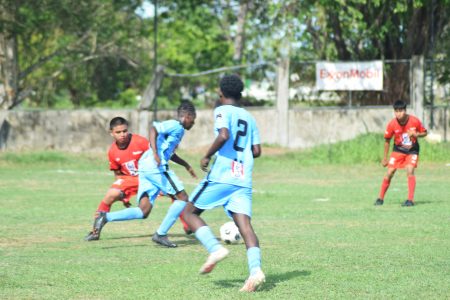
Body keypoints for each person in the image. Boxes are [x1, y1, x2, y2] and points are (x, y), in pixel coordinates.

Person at [182, 74, 265, 292]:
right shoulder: (249, 117)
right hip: (243, 178)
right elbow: (256, 151)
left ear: (221, 92)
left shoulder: (221, 110)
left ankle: (214, 248)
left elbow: (224, 134)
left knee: (189, 213)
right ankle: (255, 271)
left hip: (222, 175)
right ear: (240, 93)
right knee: (245, 226)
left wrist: (207, 156)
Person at [88, 101, 197, 246]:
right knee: (182, 198)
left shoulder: (178, 130)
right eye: (193, 119)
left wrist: (186, 165)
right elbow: (154, 129)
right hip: (154, 166)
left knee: (143, 210)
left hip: (145, 167)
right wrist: (156, 154)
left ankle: (105, 216)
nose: (193, 123)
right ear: (187, 116)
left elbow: (168, 152)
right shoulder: (175, 125)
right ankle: (161, 234)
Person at [84, 117, 149, 241]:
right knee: (110, 195)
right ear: (111, 133)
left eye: (125, 131)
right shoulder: (113, 151)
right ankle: (95, 231)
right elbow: (118, 174)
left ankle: (187, 224)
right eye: (118, 132)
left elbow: (155, 156)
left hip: (149, 178)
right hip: (130, 179)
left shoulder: (141, 142)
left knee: (175, 196)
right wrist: (123, 194)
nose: (123, 135)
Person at [374, 100, 427, 207]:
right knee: (390, 173)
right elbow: (387, 141)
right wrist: (385, 158)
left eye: (401, 111)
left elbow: (425, 132)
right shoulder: (392, 124)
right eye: (396, 111)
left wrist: (416, 134)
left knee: (410, 170)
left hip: (412, 150)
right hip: (398, 150)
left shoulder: (414, 121)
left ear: (405, 110)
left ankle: (410, 200)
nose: (399, 113)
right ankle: (380, 198)